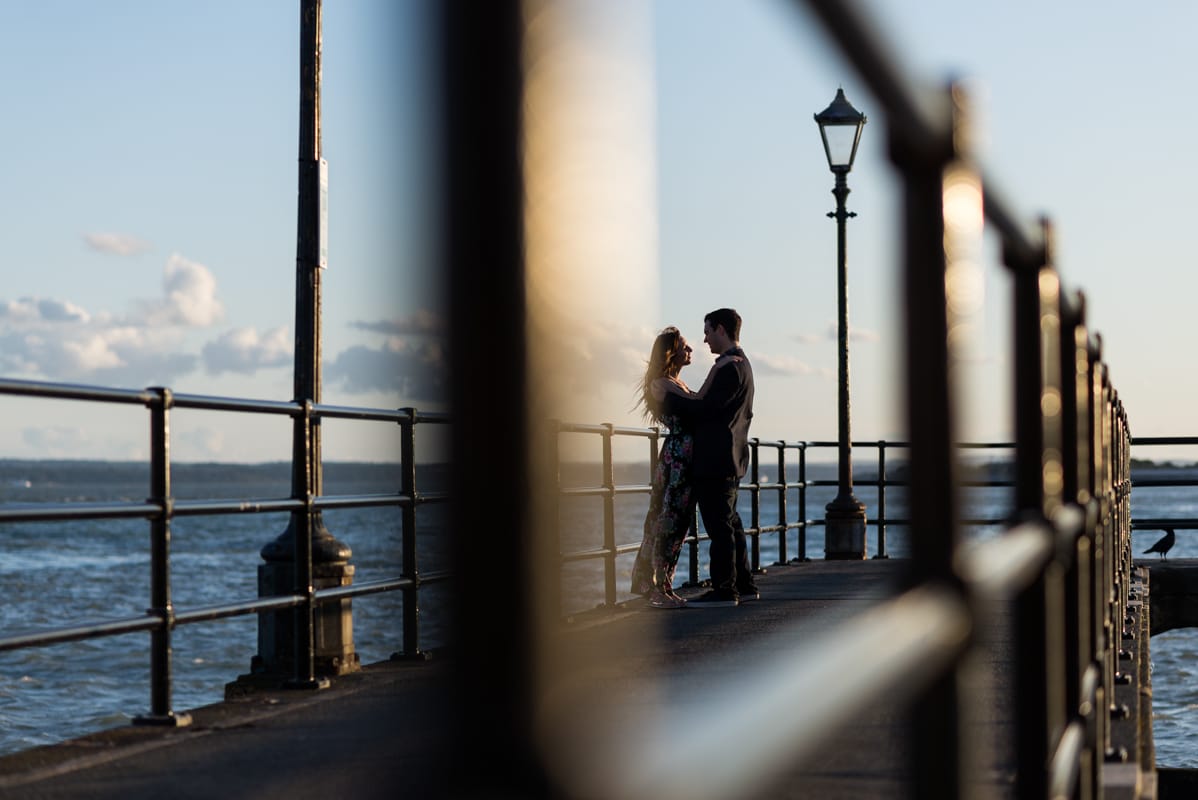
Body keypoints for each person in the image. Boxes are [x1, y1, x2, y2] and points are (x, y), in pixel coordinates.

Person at [662, 308, 756, 607]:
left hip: (716, 457)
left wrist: (668, 398)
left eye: (707, 332)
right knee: (730, 522)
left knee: (719, 527)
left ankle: (724, 590)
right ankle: (744, 583)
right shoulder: (741, 365)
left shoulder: (730, 368)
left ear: (720, 329)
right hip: (730, 455)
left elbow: (706, 410)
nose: (704, 339)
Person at [629, 327, 698, 609]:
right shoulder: (662, 383)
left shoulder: (676, 383)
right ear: (671, 352)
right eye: (684, 346)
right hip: (676, 458)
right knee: (664, 521)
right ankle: (652, 588)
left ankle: (665, 585)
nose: (690, 350)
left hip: (686, 456)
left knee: (679, 525)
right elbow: (699, 404)